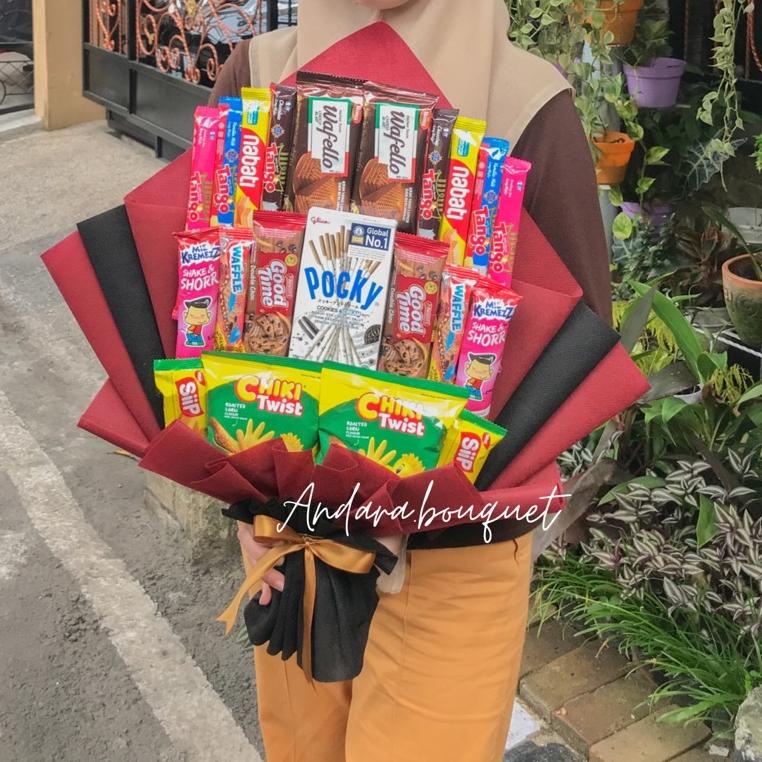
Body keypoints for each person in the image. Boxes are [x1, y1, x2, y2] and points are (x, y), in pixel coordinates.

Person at [210, 2, 612, 760]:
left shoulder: (527, 106)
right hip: (291, 539)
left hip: (454, 560)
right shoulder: (258, 75)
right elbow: (203, 309)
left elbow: (574, 356)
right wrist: (243, 493)